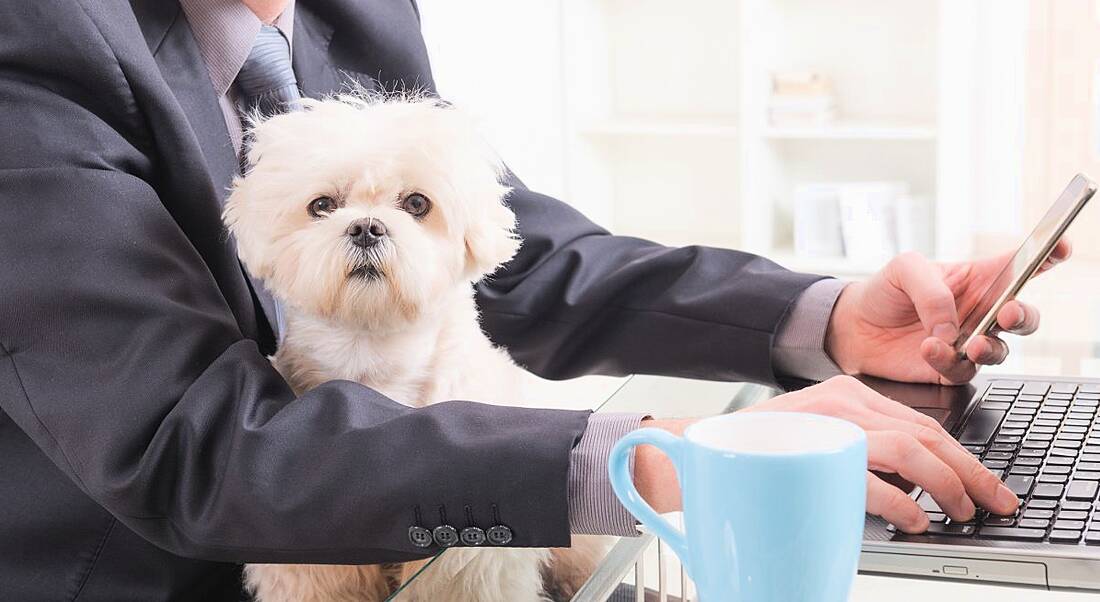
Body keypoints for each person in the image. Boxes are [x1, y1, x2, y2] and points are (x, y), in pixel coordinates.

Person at [0, 0, 1061, 599]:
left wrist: (822, 318)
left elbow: (515, 249)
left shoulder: (349, 12)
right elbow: (192, 441)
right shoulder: (37, 41)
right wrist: (658, 457)